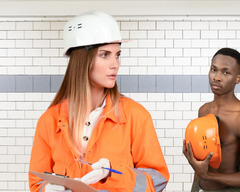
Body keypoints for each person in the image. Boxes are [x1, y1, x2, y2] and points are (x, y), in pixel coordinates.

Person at [29, 11, 169, 192]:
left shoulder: (135, 116)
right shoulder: (49, 121)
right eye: (105, 55)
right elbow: (36, 182)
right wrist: (47, 189)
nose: (115, 64)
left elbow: (158, 181)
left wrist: (112, 172)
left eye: (117, 55)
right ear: (82, 59)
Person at [183, 48, 240, 192]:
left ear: (238, 78)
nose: (217, 77)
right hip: (199, 187)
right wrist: (195, 184)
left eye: (226, 72)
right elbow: (201, 163)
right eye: (214, 69)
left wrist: (208, 175)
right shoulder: (204, 110)